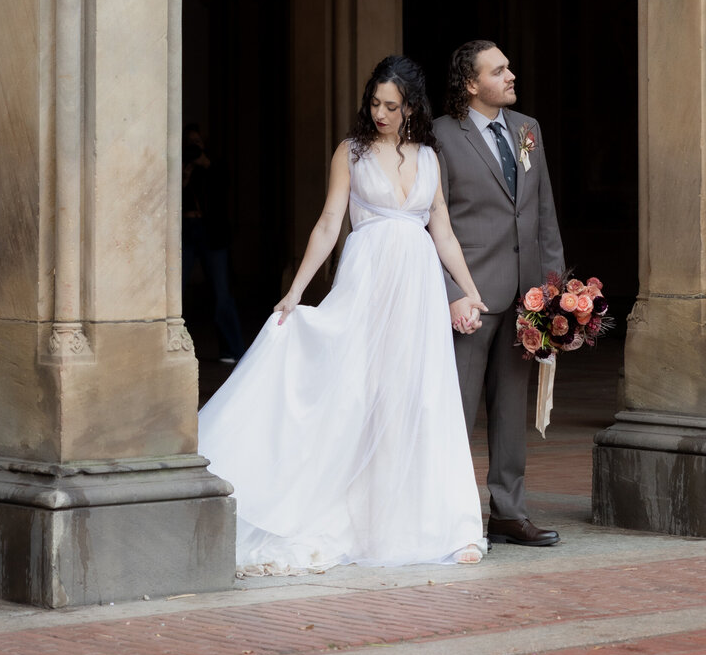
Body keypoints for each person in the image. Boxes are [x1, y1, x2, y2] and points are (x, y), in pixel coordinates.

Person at [197, 56, 489, 573]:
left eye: (391, 106)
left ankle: (429, 524)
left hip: (417, 292)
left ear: (411, 108)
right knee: (358, 392)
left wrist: (468, 291)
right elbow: (330, 222)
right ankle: (348, 515)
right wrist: (296, 291)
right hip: (368, 283)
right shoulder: (350, 153)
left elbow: (442, 230)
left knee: (417, 398)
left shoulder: (429, 158)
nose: (380, 112)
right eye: (374, 103)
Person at [434, 40, 565, 547]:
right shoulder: (442, 137)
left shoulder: (528, 131)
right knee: (459, 408)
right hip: (470, 297)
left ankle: (509, 513)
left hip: (525, 298)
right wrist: (450, 292)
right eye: (500, 69)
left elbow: (543, 213)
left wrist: (552, 291)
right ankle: (451, 515)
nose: (512, 75)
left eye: (509, 66)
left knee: (511, 410)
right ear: (472, 83)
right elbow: (431, 223)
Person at [182, 124, 246, 365]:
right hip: (186, 232)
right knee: (174, 292)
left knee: (222, 294)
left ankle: (235, 351)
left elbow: (223, 189)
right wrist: (186, 172)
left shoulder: (214, 165)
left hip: (212, 233)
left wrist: (205, 165)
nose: (194, 147)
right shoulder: (182, 166)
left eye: (198, 142)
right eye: (190, 143)